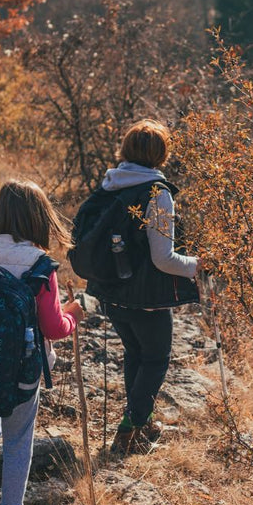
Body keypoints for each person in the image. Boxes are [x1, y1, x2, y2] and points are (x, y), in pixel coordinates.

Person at [0, 180, 84, 505]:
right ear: (38, 219)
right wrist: (74, 314)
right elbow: (54, 327)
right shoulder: (41, 266)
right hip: (22, 371)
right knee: (17, 439)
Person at [76, 119, 201, 456]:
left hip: (111, 292)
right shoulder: (157, 193)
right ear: (161, 154)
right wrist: (198, 267)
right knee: (156, 359)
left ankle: (141, 424)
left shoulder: (109, 185)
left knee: (135, 355)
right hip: (147, 297)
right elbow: (164, 259)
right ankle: (130, 428)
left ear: (126, 149)